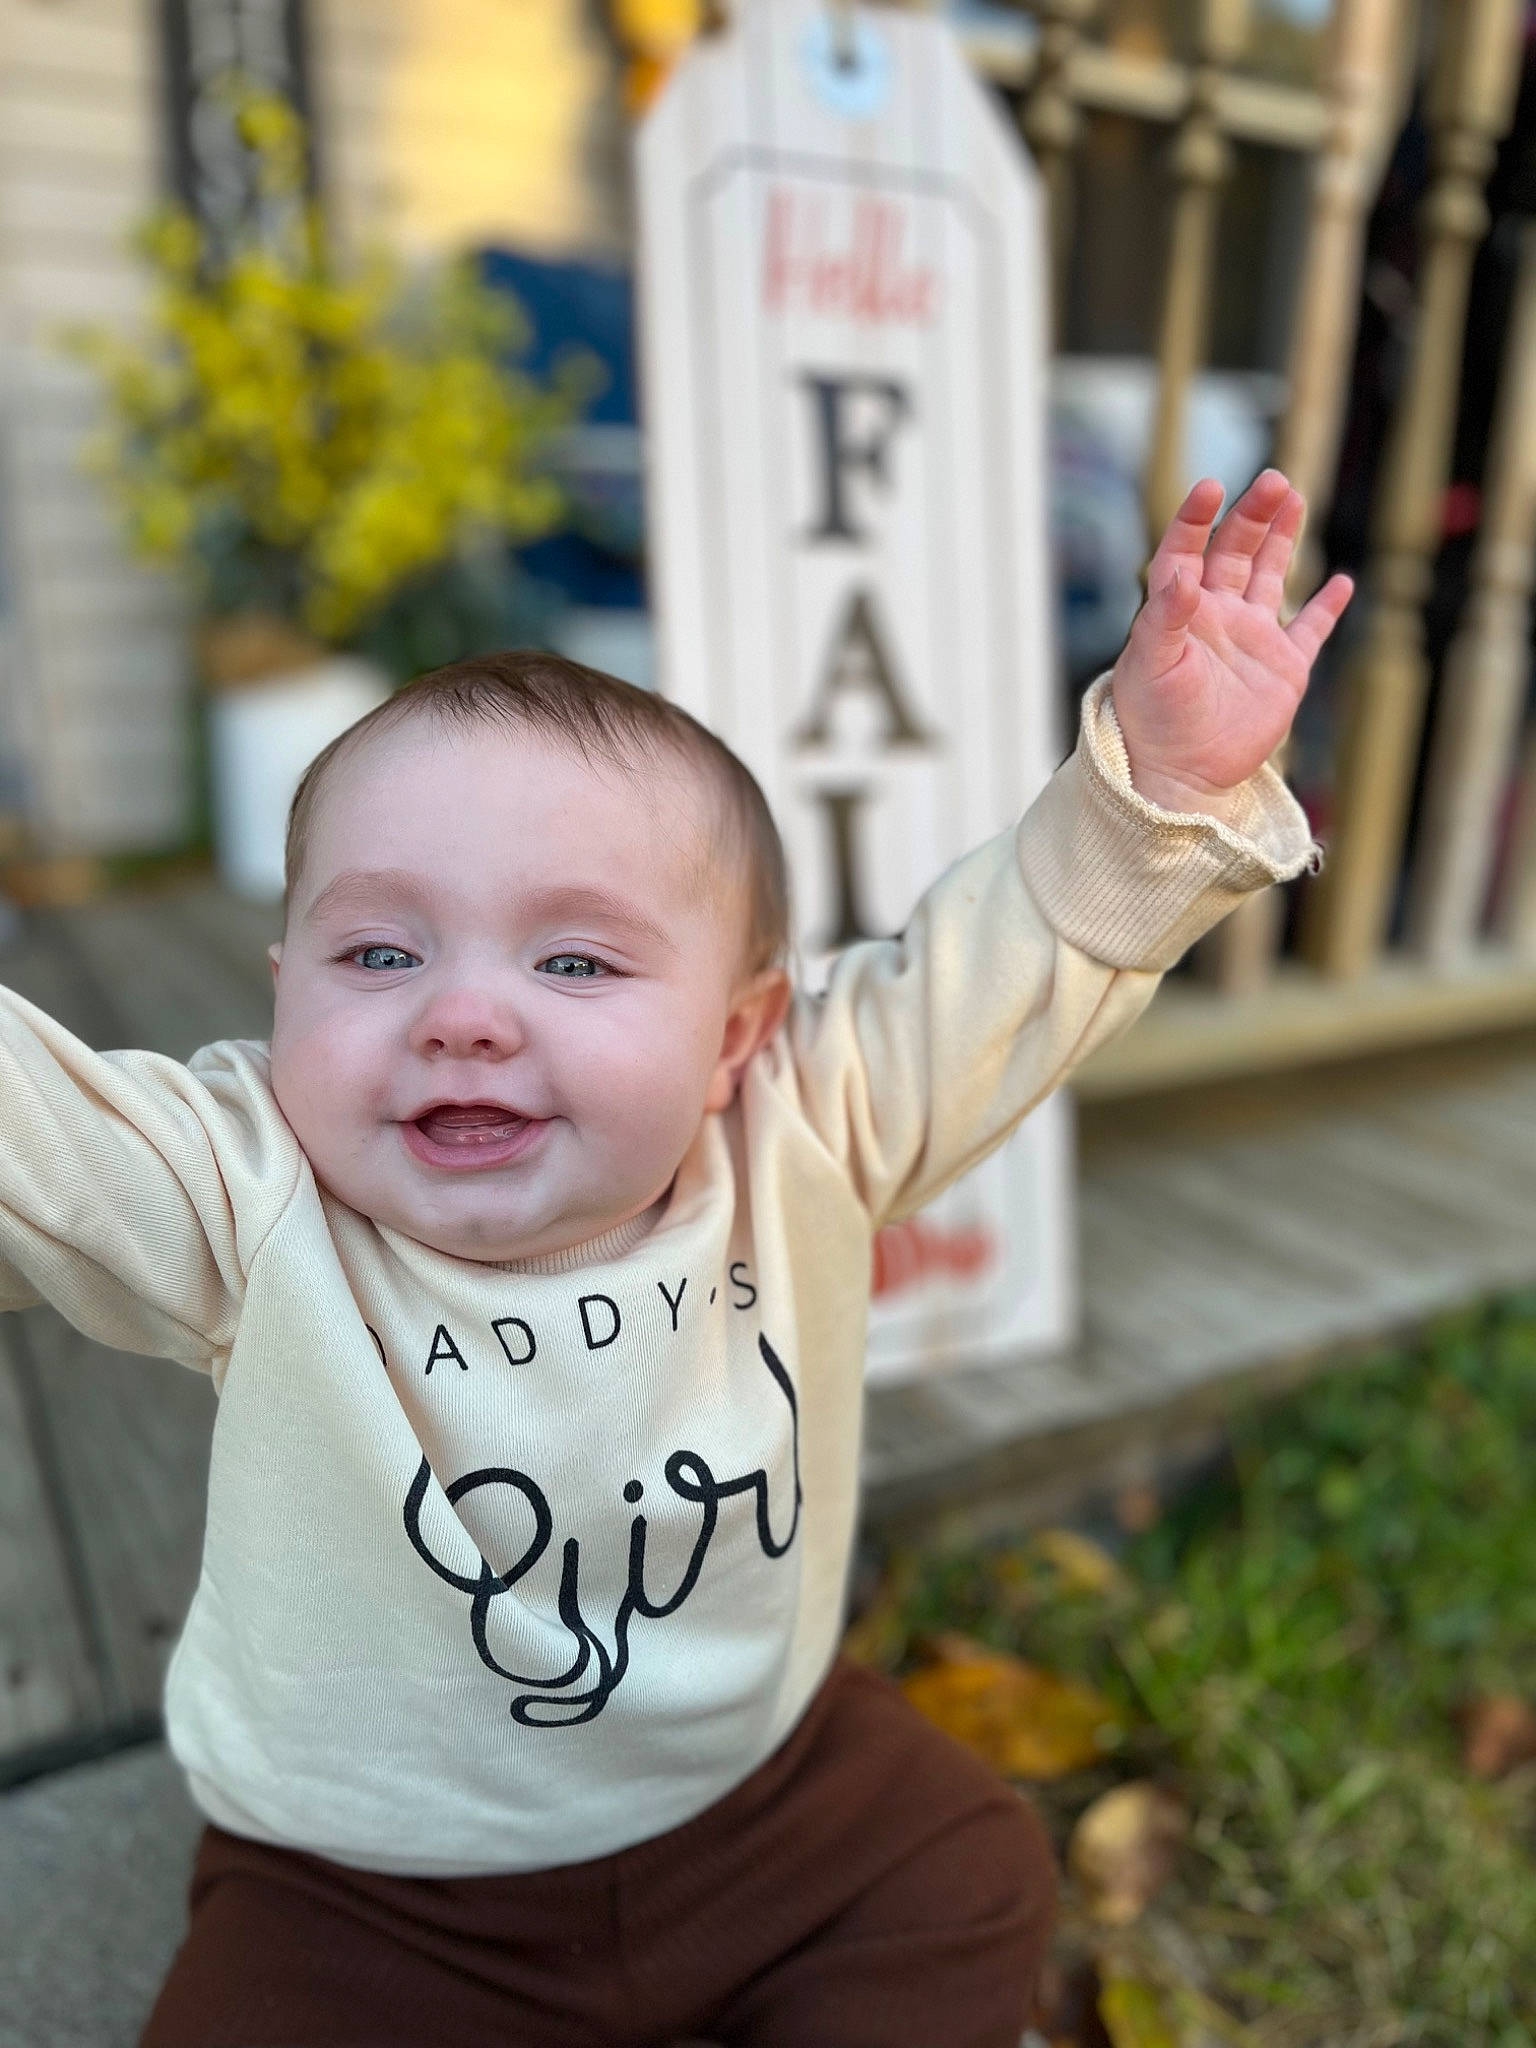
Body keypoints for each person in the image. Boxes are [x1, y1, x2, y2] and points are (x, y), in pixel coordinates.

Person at [3, 473, 1348, 2048]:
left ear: (734, 1036)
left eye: (575, 958)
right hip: (366, 1888)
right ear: (283, 985)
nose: (464, 1015)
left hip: (761, 1798)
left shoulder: (807, 1121)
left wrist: (1157, 789)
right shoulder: (246, 1185)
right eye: (380, 953)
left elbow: (1023, 953)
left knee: (965, 1870)